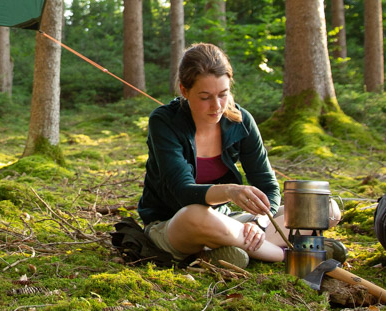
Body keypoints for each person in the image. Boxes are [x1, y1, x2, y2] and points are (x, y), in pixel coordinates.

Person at [137, 42, 340, 267]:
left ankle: (229, 248)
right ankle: (288, 254)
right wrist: (230, 191)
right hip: (174, 224)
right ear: (184, 91)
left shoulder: (241, 121)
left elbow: (268, 186)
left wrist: (259, 223)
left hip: (226, 222)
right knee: (195, 215)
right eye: (205, 97)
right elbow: (182, 192)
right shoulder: (164, 121)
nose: (216, 106)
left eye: (223, 95)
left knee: (325, 209)